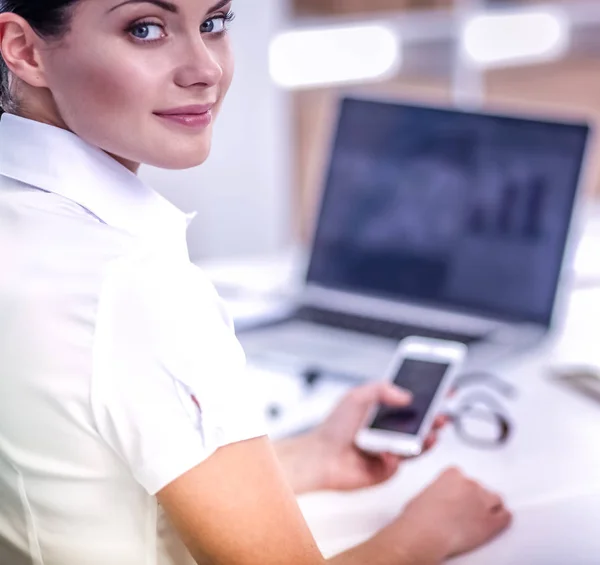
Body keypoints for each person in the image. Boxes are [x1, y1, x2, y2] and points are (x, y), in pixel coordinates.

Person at [0, 1, 512, 564]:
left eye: (214, 24)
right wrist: (426, 534)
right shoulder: (135, 286)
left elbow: (75, 483)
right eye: (145, 29)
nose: (205, 68)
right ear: (24, 49)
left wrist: (308, 459)